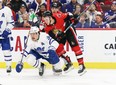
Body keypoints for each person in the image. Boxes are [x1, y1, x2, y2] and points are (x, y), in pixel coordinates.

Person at [41, 10, 86, 75]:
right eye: (44, 19)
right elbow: (52, 36)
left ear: (51, 17)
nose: (45, 21)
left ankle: (81, 65)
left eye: (46, 19)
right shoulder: (46, 26)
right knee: (57, 47)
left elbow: (69, 14)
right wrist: (57, 36)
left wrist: (73, 19)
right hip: (61, 34)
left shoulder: (58, 16)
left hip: (68, 30)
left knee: (75, 47)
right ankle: (68, 63)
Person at [0, 0, 14, 73]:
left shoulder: (7, 10)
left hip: (5, 36)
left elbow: (11, 23)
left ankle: (8, 65)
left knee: (6, 51)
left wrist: (6, 31)